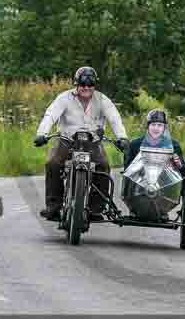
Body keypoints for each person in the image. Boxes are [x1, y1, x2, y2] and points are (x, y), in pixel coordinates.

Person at [33, 66, 129, 221]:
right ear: (76, 84)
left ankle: (95, 209)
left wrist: (122, 137)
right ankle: (53, 207)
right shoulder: (64, 98)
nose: (86, 88)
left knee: (103, 166)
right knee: (53, 163)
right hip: (67, 140)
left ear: (94, 85)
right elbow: (50, 115)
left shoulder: (103, 100)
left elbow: (114, 119)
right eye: (82, 84)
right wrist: (42, 134)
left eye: (90, 85)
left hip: (93, 142)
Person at [124, 108, 185, 182]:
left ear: (164, 127)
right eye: (153, 124)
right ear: (148, 126)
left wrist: (178, 164)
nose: (156, 128)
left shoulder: (174, 145)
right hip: (140, 184)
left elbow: (184, 172)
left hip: (166, 184)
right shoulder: (135, 144)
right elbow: (127, 171)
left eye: (160, 125)